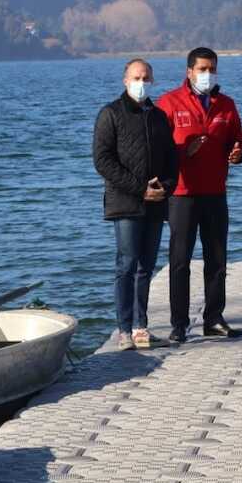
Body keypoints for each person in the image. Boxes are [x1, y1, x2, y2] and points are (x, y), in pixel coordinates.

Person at [156, 47, 242, 344]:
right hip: (182, 194)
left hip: (216, 192)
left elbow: (238, 142)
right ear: (189, 72)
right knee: (180, 260)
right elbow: (156, 151)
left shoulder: (227, 105)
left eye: (212, 69)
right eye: (202, 69)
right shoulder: (169, 103)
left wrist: (237, 153)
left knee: (217, 259)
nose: (208, 74)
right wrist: (183, 152)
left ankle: (214, 319)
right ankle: (179, 323)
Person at [93, 58, 178, 349]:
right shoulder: (110, 114)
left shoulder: (158, 116)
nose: (141, 83)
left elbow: (171, 159)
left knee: (147, 267)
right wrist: (139, 189)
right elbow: (103, 160)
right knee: (126, 265)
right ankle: (124, 330)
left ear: (152, 81)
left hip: (156, 203)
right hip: (125, 204)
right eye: (136, 77)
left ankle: (142, 327)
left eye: (146, 78)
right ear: (125, 80)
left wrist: (165, 188)